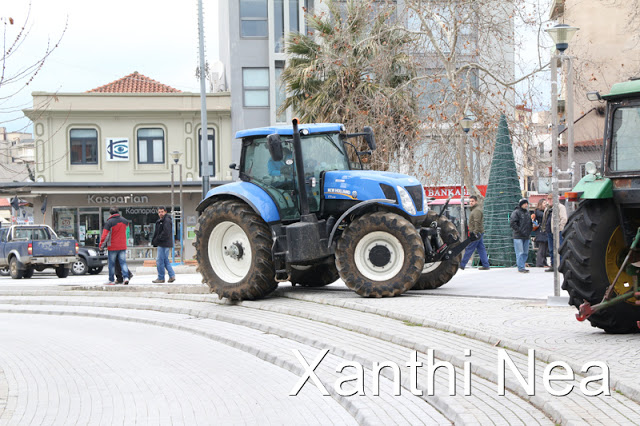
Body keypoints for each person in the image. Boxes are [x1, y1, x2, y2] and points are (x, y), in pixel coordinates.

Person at [99, 206, 131, 285]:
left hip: (112, 246)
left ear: (110, 214)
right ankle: (126, 277)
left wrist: (101, 246)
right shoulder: (125, 221)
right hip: (123, 245)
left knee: (111, 264)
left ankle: (111, 280)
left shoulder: (109, 222)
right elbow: (127, 233)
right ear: (118, 212)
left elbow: (105, 236)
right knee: (123, 263)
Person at [460, 195, 490, 270]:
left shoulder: (476, 211)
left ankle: (462, 264)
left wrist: (475, 233)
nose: (471, 203)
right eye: (470, 201)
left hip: (476, 232)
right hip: (478, 232)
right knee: (481, 248)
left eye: (472, 201)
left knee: (470, 248)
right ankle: (486, 265)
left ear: (476, 201)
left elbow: (477, 222)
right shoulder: (474, 210)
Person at [543, 194, 568, 272]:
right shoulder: (547, 209)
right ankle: (553, 265)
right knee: (551, 249)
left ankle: (560, 265)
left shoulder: (560, 207)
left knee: (558, 249)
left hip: (557, 232)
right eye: (549, 199)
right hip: (549, 232)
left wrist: (559, 229)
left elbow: (564, 219)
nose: (550, 201)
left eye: (551, 199)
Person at [151, 206, 176, 283]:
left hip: (164, 243)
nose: (160, 213)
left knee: (160, 261)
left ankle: (161, 277)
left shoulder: (166, 220)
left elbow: (166, 232)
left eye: (162, 211)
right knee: (165, 261)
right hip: (162, 243)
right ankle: (171, 276)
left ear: (165, 212)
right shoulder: (160, 221)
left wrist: (158, 239)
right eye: (159, 212)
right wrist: (154, 241)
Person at [510, 198, 533, 273]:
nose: (526, 205)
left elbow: (529, 223)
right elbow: (513, 223)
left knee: (525, 252)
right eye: (525, 203)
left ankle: (522, 265)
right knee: (520, 252)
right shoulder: (516, 212)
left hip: (526, 236)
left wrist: (529, 231)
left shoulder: (527, 213)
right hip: (518, 236)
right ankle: (521, 267)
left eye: (527, 203)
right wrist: (519, 230)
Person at [533, 199, 549, 267]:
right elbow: (544, 216)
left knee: (545, 248)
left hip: (544, 232)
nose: (545, 204)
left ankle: (544, 262)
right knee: (542, 248)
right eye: (544, 203)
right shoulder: (538, 212)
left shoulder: (544, 211)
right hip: (541, 232)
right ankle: (540, 263)